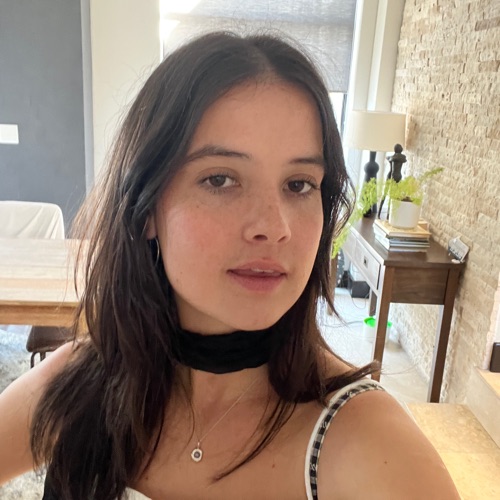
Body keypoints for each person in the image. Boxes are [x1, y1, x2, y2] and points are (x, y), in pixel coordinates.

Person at [0, 32, 459, 499]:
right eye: (220, 179)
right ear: (146, 207)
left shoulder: (371, 447)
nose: (273, 227)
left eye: (299, 184)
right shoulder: (83, 381)